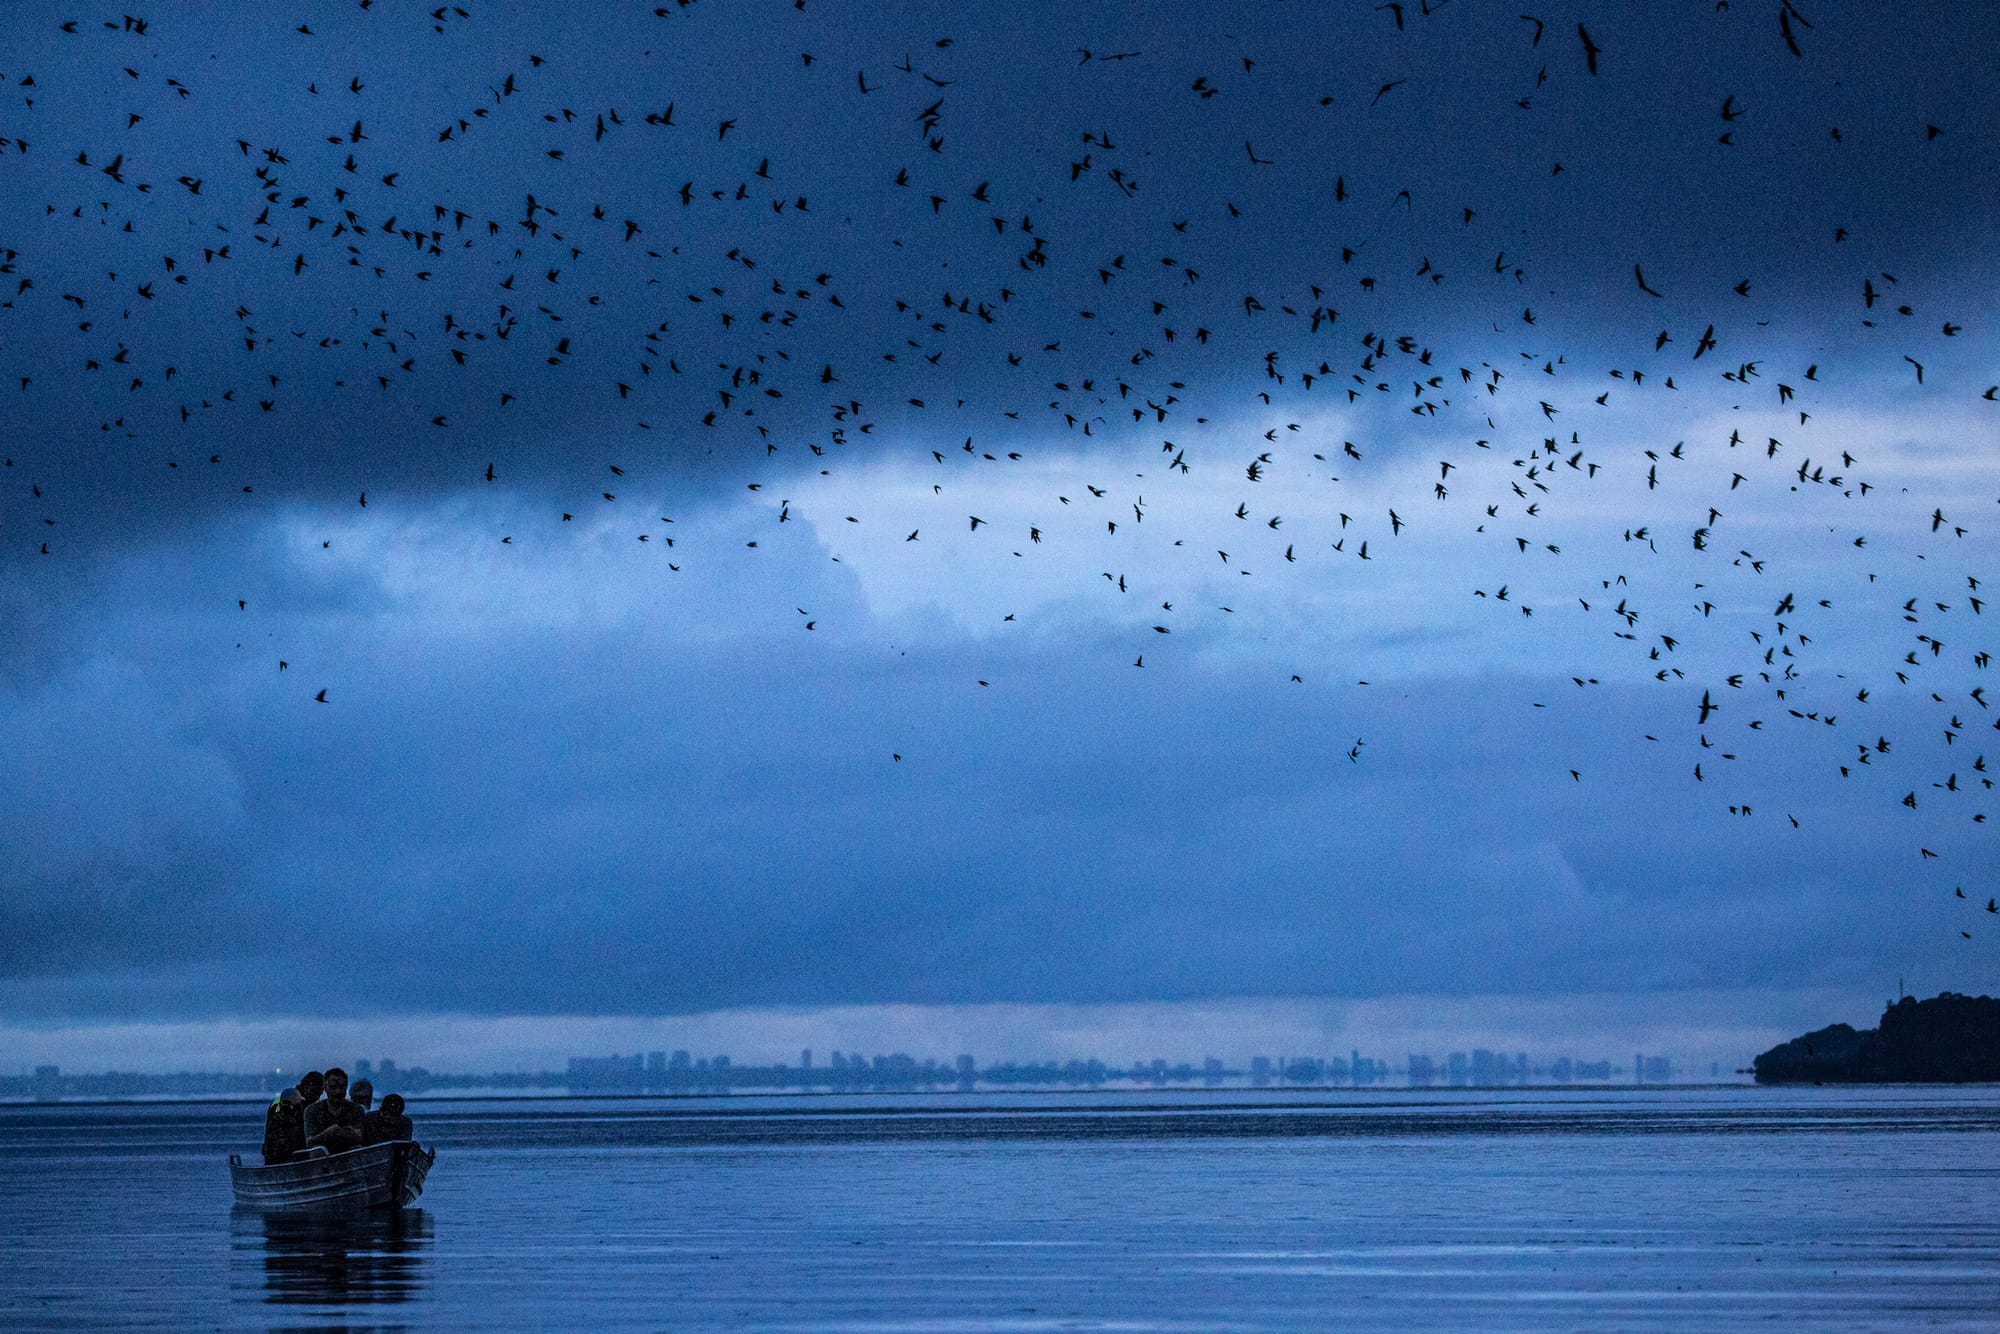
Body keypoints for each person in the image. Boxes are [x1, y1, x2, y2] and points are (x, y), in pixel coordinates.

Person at [261, 1071, 323, 1165]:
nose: (316, 1097)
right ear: (306, 1086)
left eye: (319, 1094)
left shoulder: (306, 1104)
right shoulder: (287, 1102)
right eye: (314, 1092)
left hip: (289, 1155)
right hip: (282, 1156)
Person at [302, 1066, 366, 1153]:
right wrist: (328, 1133)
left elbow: (360, 1137)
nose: (338, 1092)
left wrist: (340, 1132)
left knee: (357, 1148)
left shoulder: (356, 1109)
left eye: (341, 1087)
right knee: (316, 1151)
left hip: (349, 1156)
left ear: (346, 1087)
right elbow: (309, 1143)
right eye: (333, 1087)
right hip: (323, 1157)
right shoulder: (312, 1110)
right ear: (325, 1088)